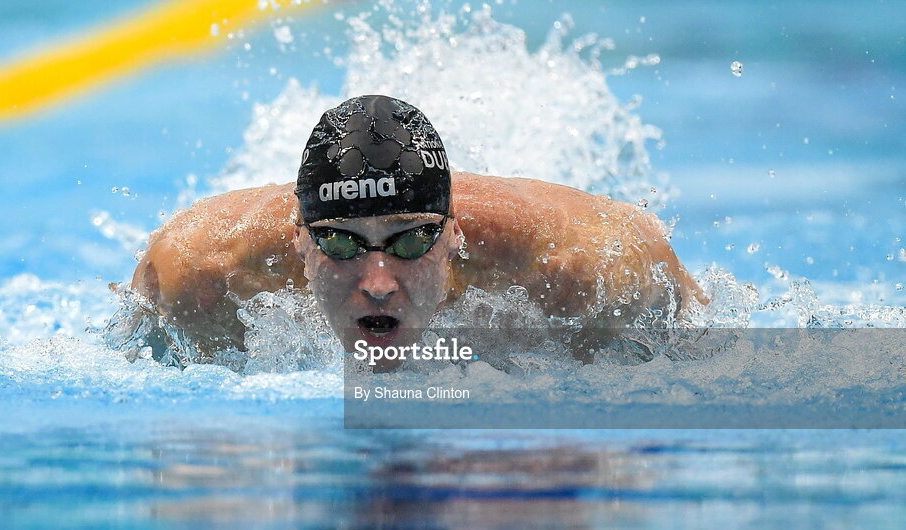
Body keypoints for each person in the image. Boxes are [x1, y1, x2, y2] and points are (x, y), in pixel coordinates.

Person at [126, 94, 704, 365]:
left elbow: (697, 329)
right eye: (339, 242)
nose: (378, 281)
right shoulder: (202, 273)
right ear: (298, 237)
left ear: (454, 233)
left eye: (410, 241)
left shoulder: (578, 269)